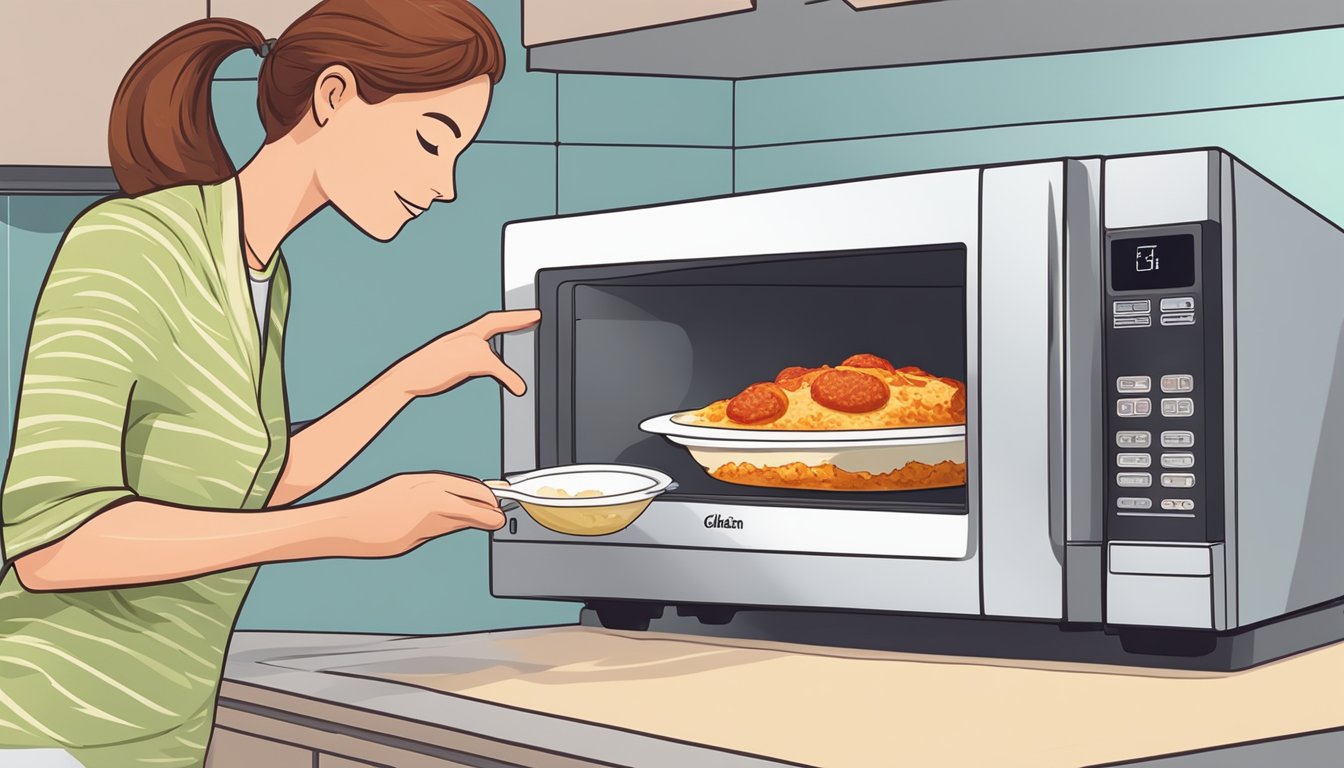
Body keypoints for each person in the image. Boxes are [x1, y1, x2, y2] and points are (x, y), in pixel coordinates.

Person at [0, 2, 534, 765]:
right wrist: (344, 529)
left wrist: (406, 382)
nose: (445, 186)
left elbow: (251, 483)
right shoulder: (128, 244)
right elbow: (54, 544)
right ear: (334, 95)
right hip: (44, 731)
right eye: (430, 142)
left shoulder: (262, 276)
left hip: (164, 735)